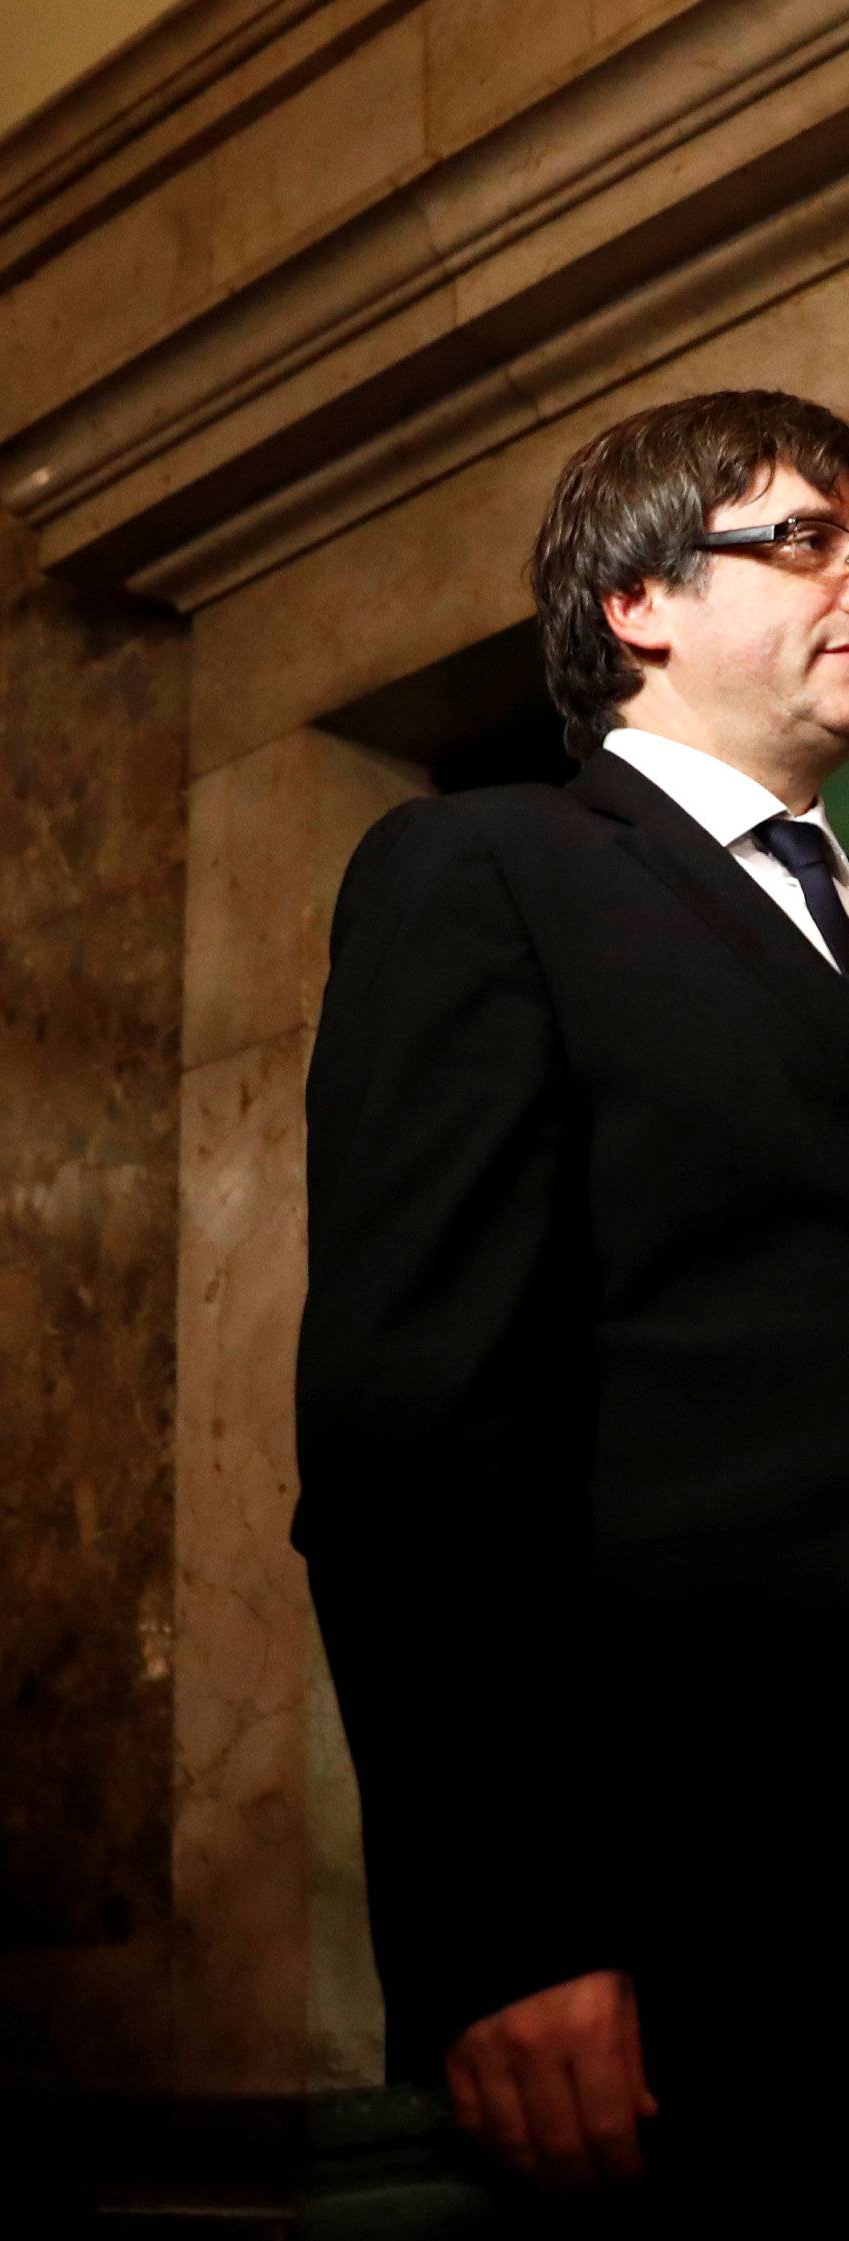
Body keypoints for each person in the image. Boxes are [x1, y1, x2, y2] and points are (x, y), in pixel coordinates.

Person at [294, 389, 849, 2223]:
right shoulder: (489, 870)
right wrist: (506, 1926)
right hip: (696, 1919)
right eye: (809, 538)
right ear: (642, 602)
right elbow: (416, 1430)